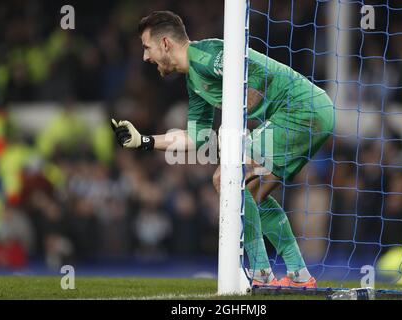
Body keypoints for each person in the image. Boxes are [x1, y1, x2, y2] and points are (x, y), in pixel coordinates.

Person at [111, 10, 334, 288]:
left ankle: (261, 276)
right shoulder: (194, 80)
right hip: (311, 112)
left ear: (166, 43)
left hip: (301, 109)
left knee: (226, 179)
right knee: (253, 195)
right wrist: (144, 140)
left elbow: (257, 71)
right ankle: (300, 276)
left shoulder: (207, 56)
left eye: (147, 47)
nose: (145, 57)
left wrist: (243, 120)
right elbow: (196, 138)